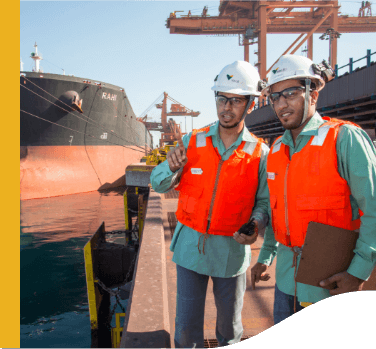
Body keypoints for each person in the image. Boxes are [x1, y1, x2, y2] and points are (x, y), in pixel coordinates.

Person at [150, 61, 270, 347]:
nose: (226, 107)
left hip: (231, 253)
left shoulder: (259, 152)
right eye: (221, 98)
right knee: (186, 329)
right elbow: (157, 183)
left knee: (230, 330)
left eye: (236, 100)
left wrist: (255, 225)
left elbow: (263, 203)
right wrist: (170, 167)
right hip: (191, 248)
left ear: (249, 104)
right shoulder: (192, 141)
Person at [251, 54, 376, 324]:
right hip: (286, 281)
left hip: (331, 282)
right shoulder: (276, 151)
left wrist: (358, 271)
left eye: (291, 93)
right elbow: (278, 212)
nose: (282, 104)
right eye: (275, 97)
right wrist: (265, 257)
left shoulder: (344, 139)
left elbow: (374, 208)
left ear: (314, 94)